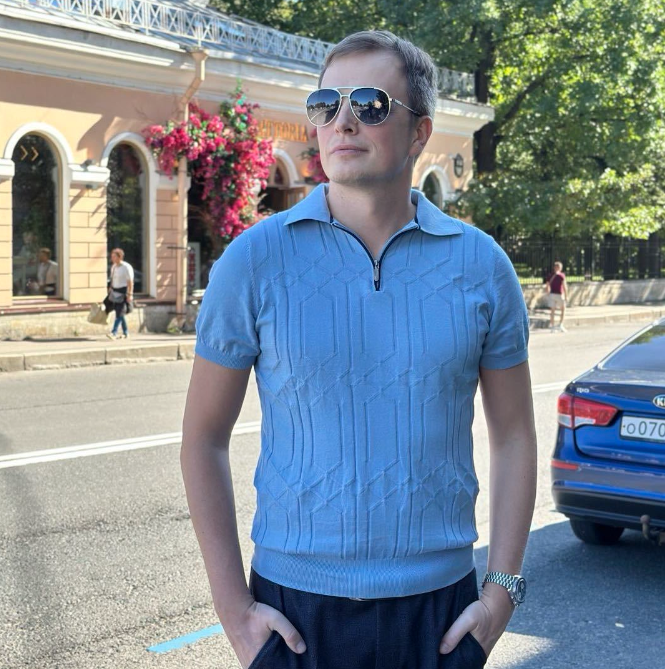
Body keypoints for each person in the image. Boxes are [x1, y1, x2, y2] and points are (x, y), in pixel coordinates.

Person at [181, 30, 537, 669]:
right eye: (327, 104)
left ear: (420, 132)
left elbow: (513, 436)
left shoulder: (482, 267)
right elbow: (203, 439)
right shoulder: (253, 262)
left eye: (370, 104)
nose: (342, 121)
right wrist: (234, 611)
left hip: (441, 616)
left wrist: (502, 593)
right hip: (295, 617)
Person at [105, 247, 134, 340]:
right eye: (112, 256)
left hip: (123, 292)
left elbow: (130, 282)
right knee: (119, 313)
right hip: (114, 292)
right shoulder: (113, 267)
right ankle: (126, 333)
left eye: (114, 257)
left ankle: (113, 332)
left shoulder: (126, 267)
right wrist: (110, 289)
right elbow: (112, 279)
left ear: (120, 257)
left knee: (120, 312)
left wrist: (130, 294)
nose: (112, 258)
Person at [546, 261, 567, 332]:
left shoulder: (550, 275)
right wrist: (566, 296)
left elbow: (547, 285)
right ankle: (560, 325)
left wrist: (548, 293)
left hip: (552, 294)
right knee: (563, 309)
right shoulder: (561, 275)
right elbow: (564, 286)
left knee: (552, 311)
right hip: (559, 294)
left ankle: (552, 327)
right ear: (560, 268)